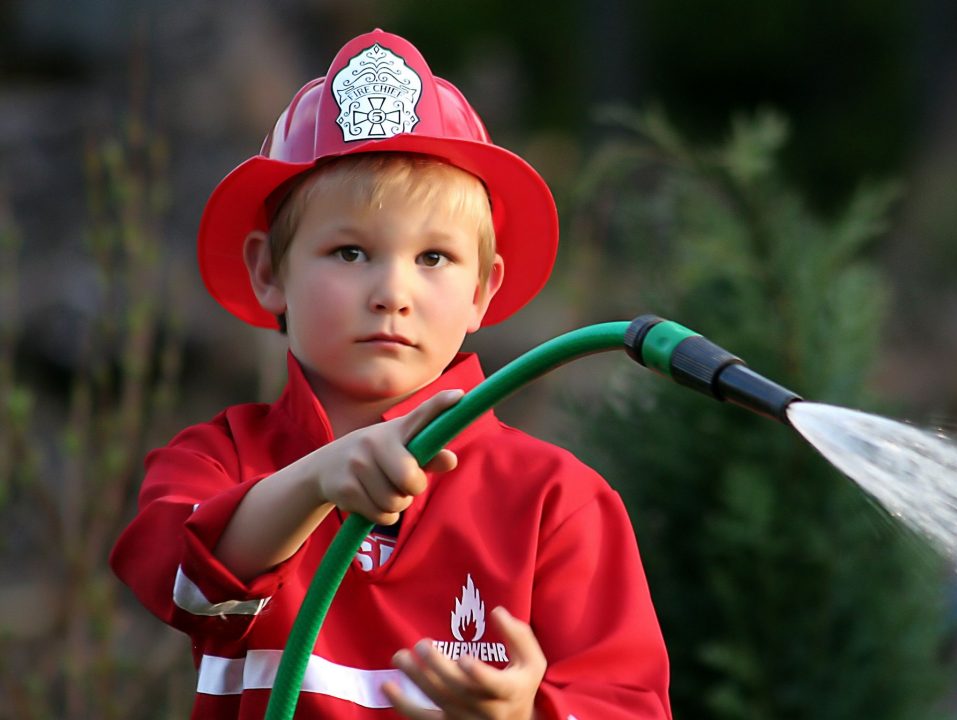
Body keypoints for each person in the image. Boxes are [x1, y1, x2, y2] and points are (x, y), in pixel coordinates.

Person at [110, 29, 671, 720]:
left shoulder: (557, 503)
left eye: (434, 258)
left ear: (482, 292)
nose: (392, 293)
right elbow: (188, 587)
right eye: (349, 253)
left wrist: (525, 715)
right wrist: (319, 477)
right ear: (267, 271)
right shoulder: (216, 460)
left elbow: (626, 704)